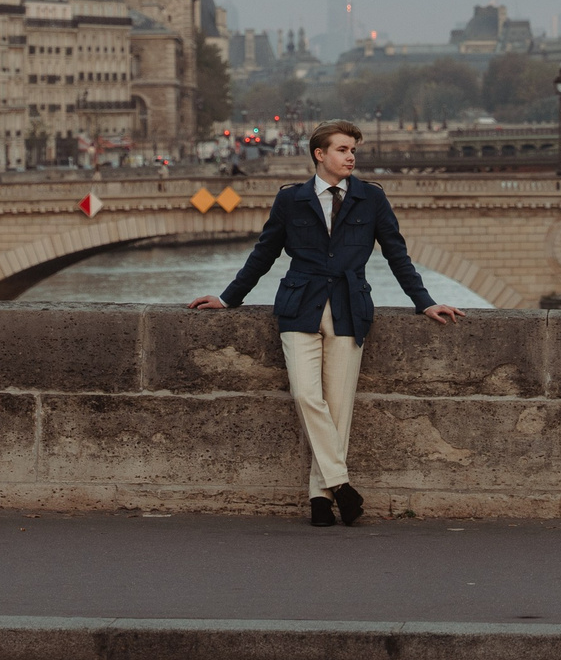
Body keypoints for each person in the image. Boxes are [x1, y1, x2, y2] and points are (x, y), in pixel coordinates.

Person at [188, 120, 465, 527]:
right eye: (342, 149)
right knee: (305, 396)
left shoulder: (371, 198)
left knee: (338, 408)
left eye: (353, 149)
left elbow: (397, 255)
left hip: (350, 307)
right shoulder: (291, 200)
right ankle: (342, 483)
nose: (351, 156)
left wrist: (424, 302)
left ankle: (320, 499)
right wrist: (229, 297)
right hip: (301, 305)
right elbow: (264, 253)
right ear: (320, 155)